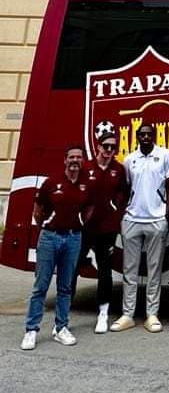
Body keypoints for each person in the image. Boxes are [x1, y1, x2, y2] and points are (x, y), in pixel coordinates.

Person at [21, 145, 93, 350]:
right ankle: (31, 330)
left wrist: (78, 224)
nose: (75, 160)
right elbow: (38, 211)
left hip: (73, 238)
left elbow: (89, 209)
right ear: (65, 160)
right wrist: (48, 228)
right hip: (50, 238)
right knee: (40, 286)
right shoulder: (51, 183)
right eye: (71, 157)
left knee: (65, 287)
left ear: (82, 161)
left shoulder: (85, 186)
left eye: (79, 157)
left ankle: (61, 328)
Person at [111, 123, 169, 333]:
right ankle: (128, 314)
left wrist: (166, 213)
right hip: (132, 219)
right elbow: (126, 189)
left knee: (154, 270)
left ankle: (152, 314)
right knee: (129, 270)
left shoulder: (165, 155)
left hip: (156, 219)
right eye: (142, 134)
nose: (146, 137)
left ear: (154, 136)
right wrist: (122, 214)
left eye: (149, 134)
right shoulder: (130, 159)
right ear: (137, 137)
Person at [77, 121, 126, 334]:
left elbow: (123, 195)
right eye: (106, 146)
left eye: (113, 147)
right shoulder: (86, 167)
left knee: (104, 271)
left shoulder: (119, 170)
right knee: (73, 267)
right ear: (98, 146)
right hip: (84, 228)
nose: (109, 150)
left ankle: (103, 314)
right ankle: (63, 316)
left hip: (107, 229)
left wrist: (116, 213)